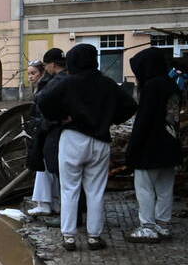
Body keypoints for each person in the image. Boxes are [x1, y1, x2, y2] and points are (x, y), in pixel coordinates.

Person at [36, 44, 137, 251]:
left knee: (69, 189)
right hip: (100, 140)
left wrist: (60, 117)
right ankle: (94, 237)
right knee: (96, 191)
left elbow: (43, 100)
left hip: (72, 138)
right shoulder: (107, 83)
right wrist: (110, 119)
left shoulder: (68, 82)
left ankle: (69, 237)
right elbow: (130, 106)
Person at [125, 48, 182, 243]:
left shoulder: (151, 87)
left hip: (150, 147)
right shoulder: (171, 84)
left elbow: (144, 121)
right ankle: (163, 224)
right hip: (171, 144)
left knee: (145, 187)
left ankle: (147, 226)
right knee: (165, 187)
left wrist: (132, 149)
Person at [25, 58, 59, 216]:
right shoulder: (42, 85)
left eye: (33, 73)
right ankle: (53, 202)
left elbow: (42, 113)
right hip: (47, 131)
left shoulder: (44, 87)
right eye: (28, 74)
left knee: (43, 167)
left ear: (42, 72)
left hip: (45, 132)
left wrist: (39, 128)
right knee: (49, 168)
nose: (30, 77)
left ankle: (44, 204)